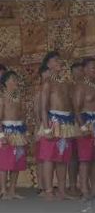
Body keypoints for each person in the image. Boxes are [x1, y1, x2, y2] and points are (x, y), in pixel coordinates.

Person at [39, 51, 78, 200]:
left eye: (59, 60)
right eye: (56, 60)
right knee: (49, 157)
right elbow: (43, 108)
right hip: (53, 122)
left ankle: (62, 190)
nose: (59, 62)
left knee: (63, 157)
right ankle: (49, 190)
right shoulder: (47, 83)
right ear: (48, 64)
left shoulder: (66, 83)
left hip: (66, 123)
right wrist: (47, 129)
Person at [73, 58, 95, 200]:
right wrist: (83, 126)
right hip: (85, 124)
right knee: (85, 159)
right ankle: (84, 188)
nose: (94, 70)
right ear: (84, 70)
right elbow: (77, 109)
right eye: (91, 67)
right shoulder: (81, 86)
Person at [0, 71, 28, 199]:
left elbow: (22, 115)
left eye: (16, 78)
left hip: (19, 132)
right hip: (7, 132)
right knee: (5, 163)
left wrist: (25, 131)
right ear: (5, 83)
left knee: (17, 161)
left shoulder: (19, 97)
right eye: (13, 79)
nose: (16, 81)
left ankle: (12, 190)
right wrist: (1, 135)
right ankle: (4, 191)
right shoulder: (2, 98)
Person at [67, 61, 84, 196]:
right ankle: (72, 185)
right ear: (72, 72)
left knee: (85, 157)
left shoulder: (87, 86)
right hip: (72, 123)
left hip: (86, 122)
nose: (80, 72)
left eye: (81, 70)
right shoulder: (69, 86)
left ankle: (84, 185)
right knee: (73, 156)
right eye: (77, 70)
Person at [33, 65, 50, 195]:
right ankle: (41, 186)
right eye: (46, 73)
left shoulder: (52, 88)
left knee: (49, 157)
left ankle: (48, 184)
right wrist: (40, 128)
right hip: (42, 126)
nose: (48, 75)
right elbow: (37, 111)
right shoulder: (39, 91)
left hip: (52, 125)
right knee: (42, 158)